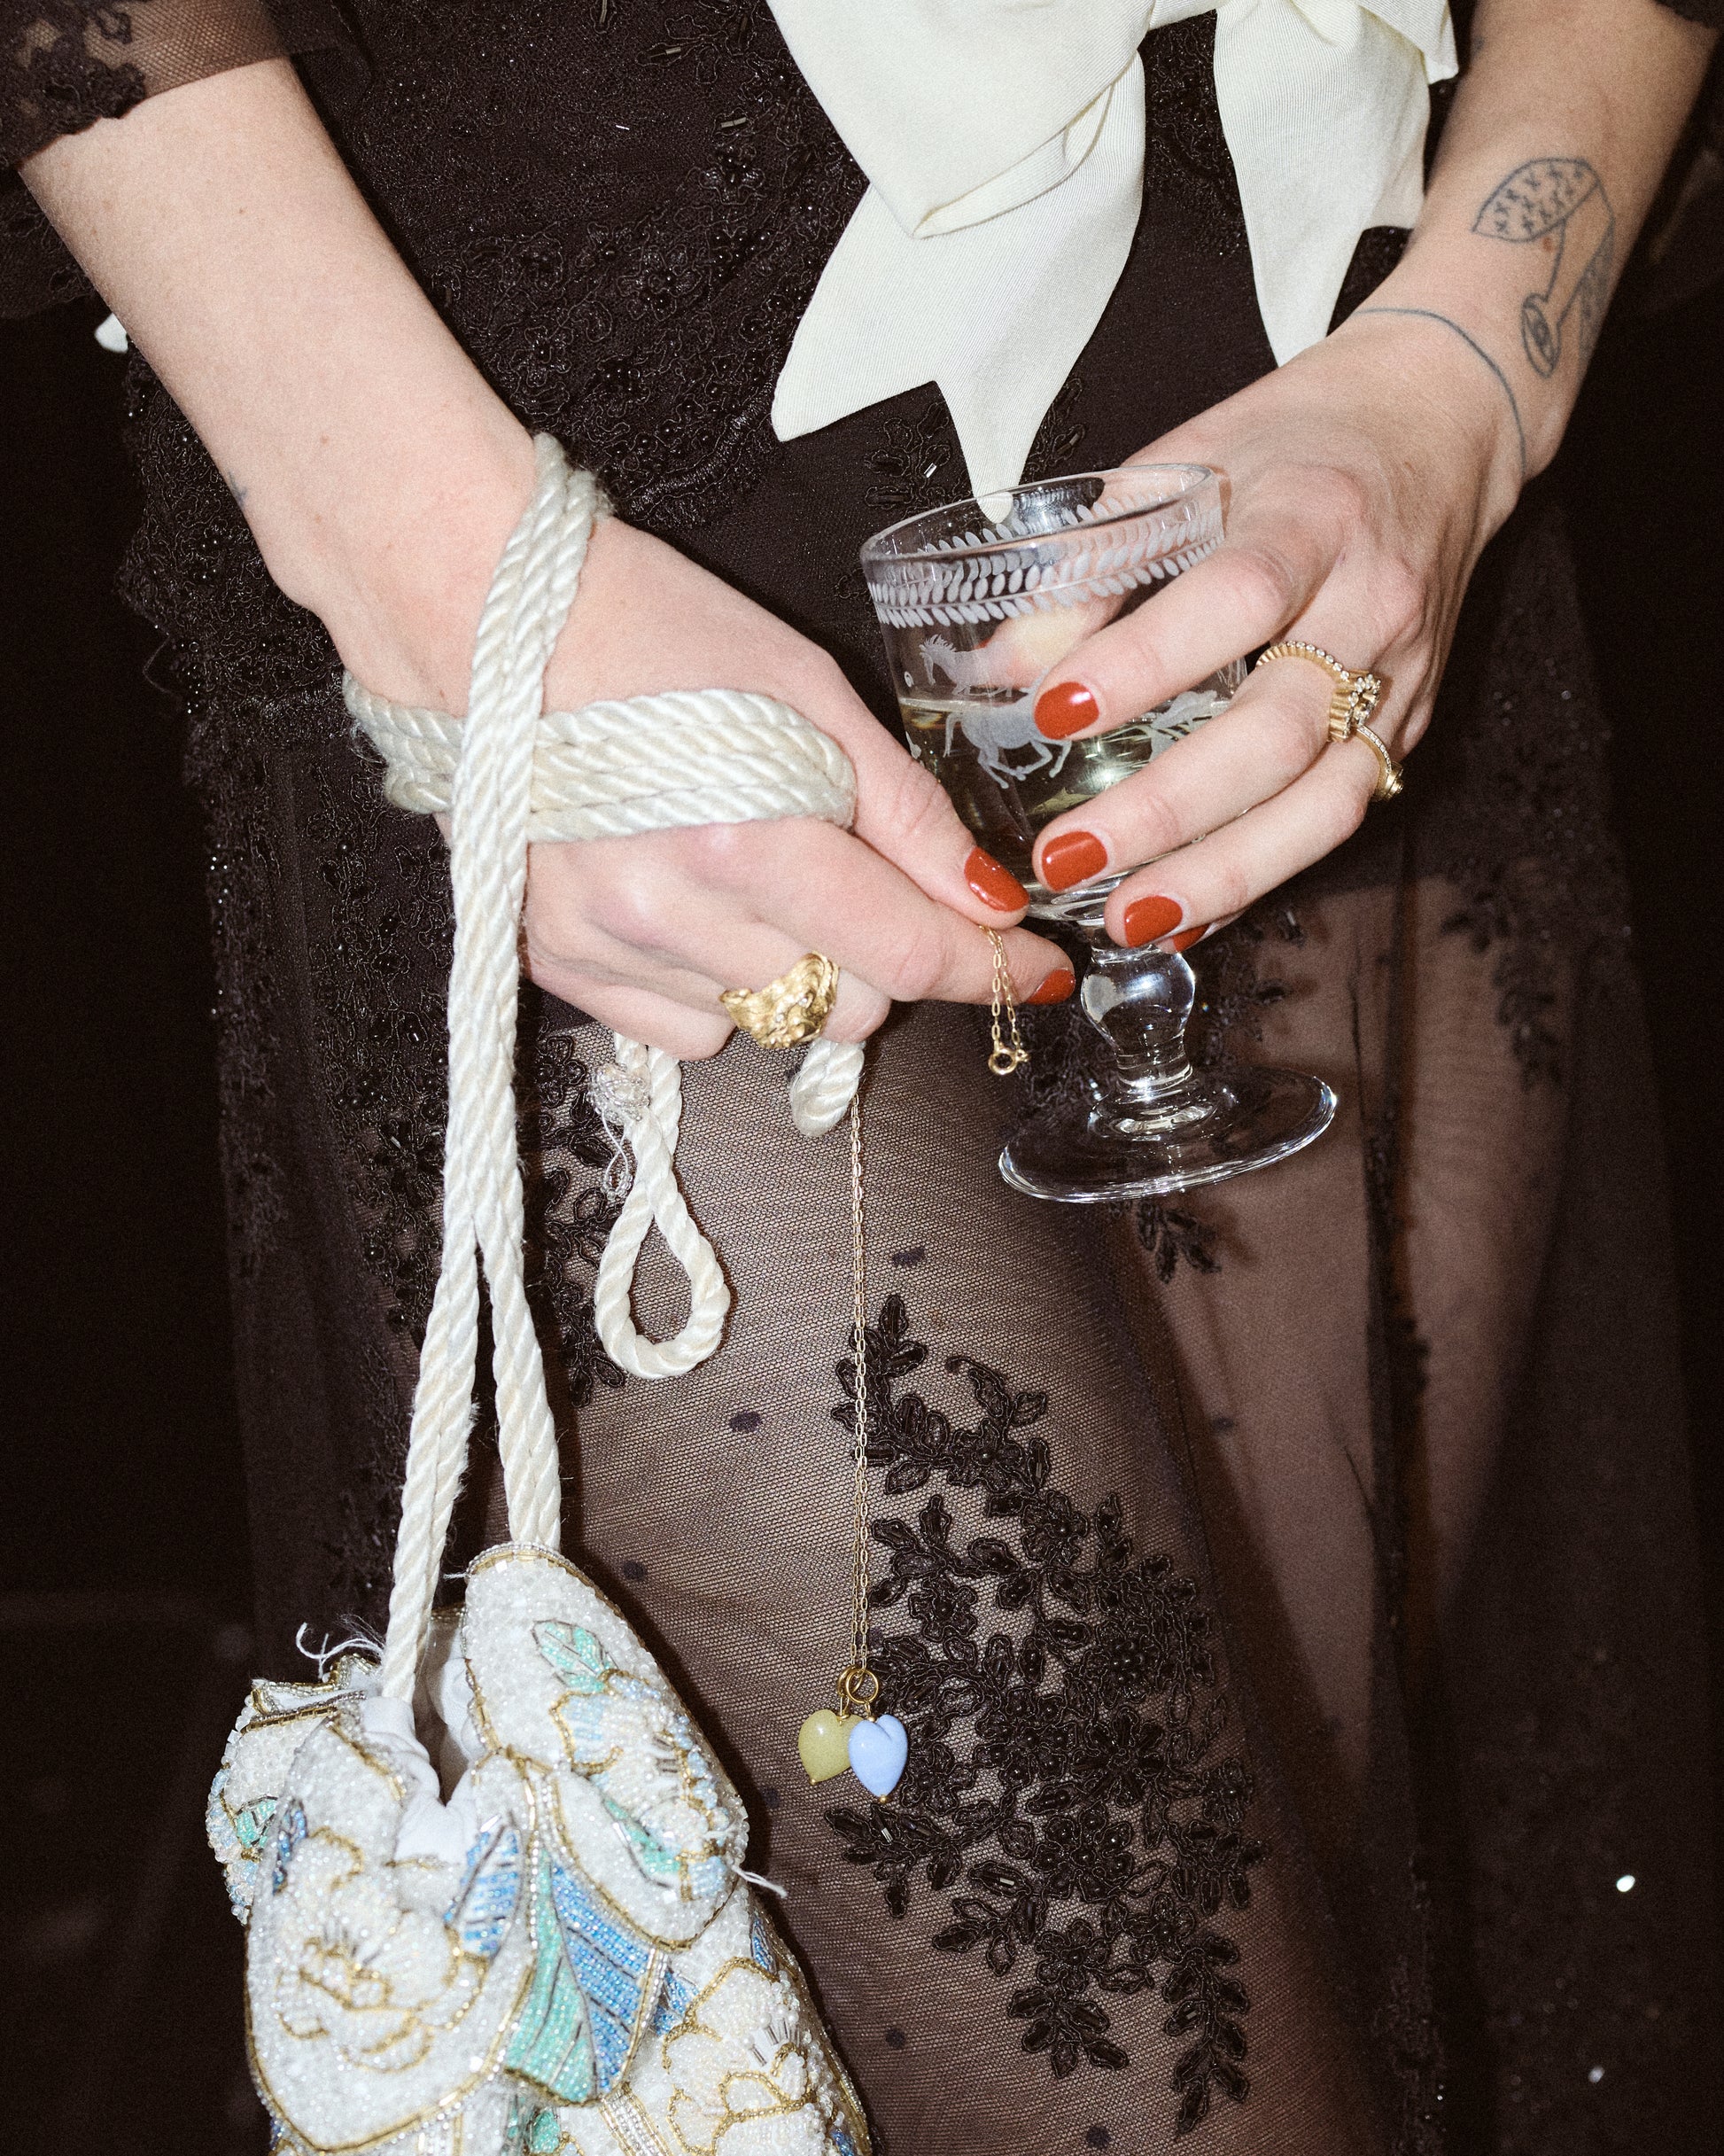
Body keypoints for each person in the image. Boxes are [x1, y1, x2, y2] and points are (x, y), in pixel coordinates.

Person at [5, 0, 1720, 2145]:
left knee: (1340, 1928)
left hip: (1323, 538)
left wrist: (1468, 367)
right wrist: (454, 574)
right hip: (600, 604)